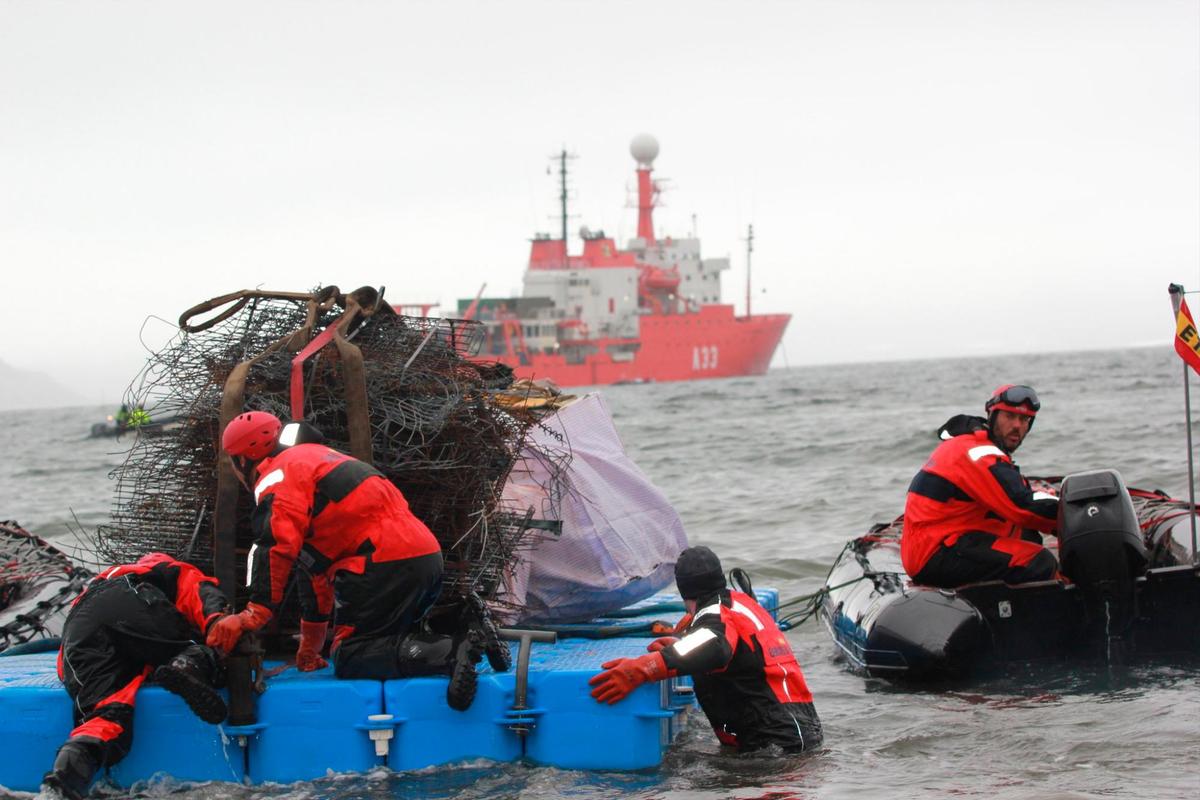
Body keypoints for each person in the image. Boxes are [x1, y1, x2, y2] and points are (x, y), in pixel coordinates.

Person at [209, 411, 508, 712]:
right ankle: (462, 617)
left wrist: (253, 614)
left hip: (379, 562)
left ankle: (452, 651)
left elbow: (273, 545)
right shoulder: (321, 457)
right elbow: (313, 571)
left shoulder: (278, 476)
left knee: (353, 655)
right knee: (391, 636)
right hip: (423, 555)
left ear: (243, 459)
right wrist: (311, 646)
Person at [589, 546, 822, 753]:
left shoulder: (715, 614)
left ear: (685, 593)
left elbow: (715, 647)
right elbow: (734, 653)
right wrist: (680, 647)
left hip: (773, 746)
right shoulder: (741, 604)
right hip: (801, 731)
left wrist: (643, 668)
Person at [40, 554, 229, 800]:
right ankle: (185, 665)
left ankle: (60, 786)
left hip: (79, 629)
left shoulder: (90, 591)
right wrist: (216, 621)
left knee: (105, 717)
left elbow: (65, 666)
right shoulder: (164, 569)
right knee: (201, 650)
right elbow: (199, 593)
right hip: (132, 597)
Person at [901, 383, 1060, 588]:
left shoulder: (975, 444)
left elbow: (1012, 498)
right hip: (935, 553)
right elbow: (1022, 505)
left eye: (1024, 419)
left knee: (1027, 536)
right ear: (992, 415)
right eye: (1009, 417)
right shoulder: (979, 453)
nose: (1017, 426)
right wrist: (1071, 510)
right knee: (1038, 560)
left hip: (938, 542)